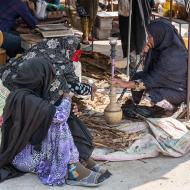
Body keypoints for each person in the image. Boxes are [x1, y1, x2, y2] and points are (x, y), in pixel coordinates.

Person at [0, 35, 111, 180]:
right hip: (23, 159)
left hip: (24, 152)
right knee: (58, 125)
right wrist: (67, 99)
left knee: (59, 118)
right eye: (48, 77)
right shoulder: (28, 99)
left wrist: (67, 106)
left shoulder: (23, 94)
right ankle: (72, 169)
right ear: (41, 78)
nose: (51, 80)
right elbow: (59, 116)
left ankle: (80, 160)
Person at [112, 19, 187, 115]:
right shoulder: (164, 45)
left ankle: (170, 108)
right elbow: (148, 69)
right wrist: (146, 53)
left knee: (152, 92)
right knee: (136, 75)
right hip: (166, 83)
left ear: (160, 35)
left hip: (178, 92)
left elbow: (151, 80)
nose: (148, 40)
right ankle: (137, 103)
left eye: (150, 37)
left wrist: (125, 84)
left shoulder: (172, 56)